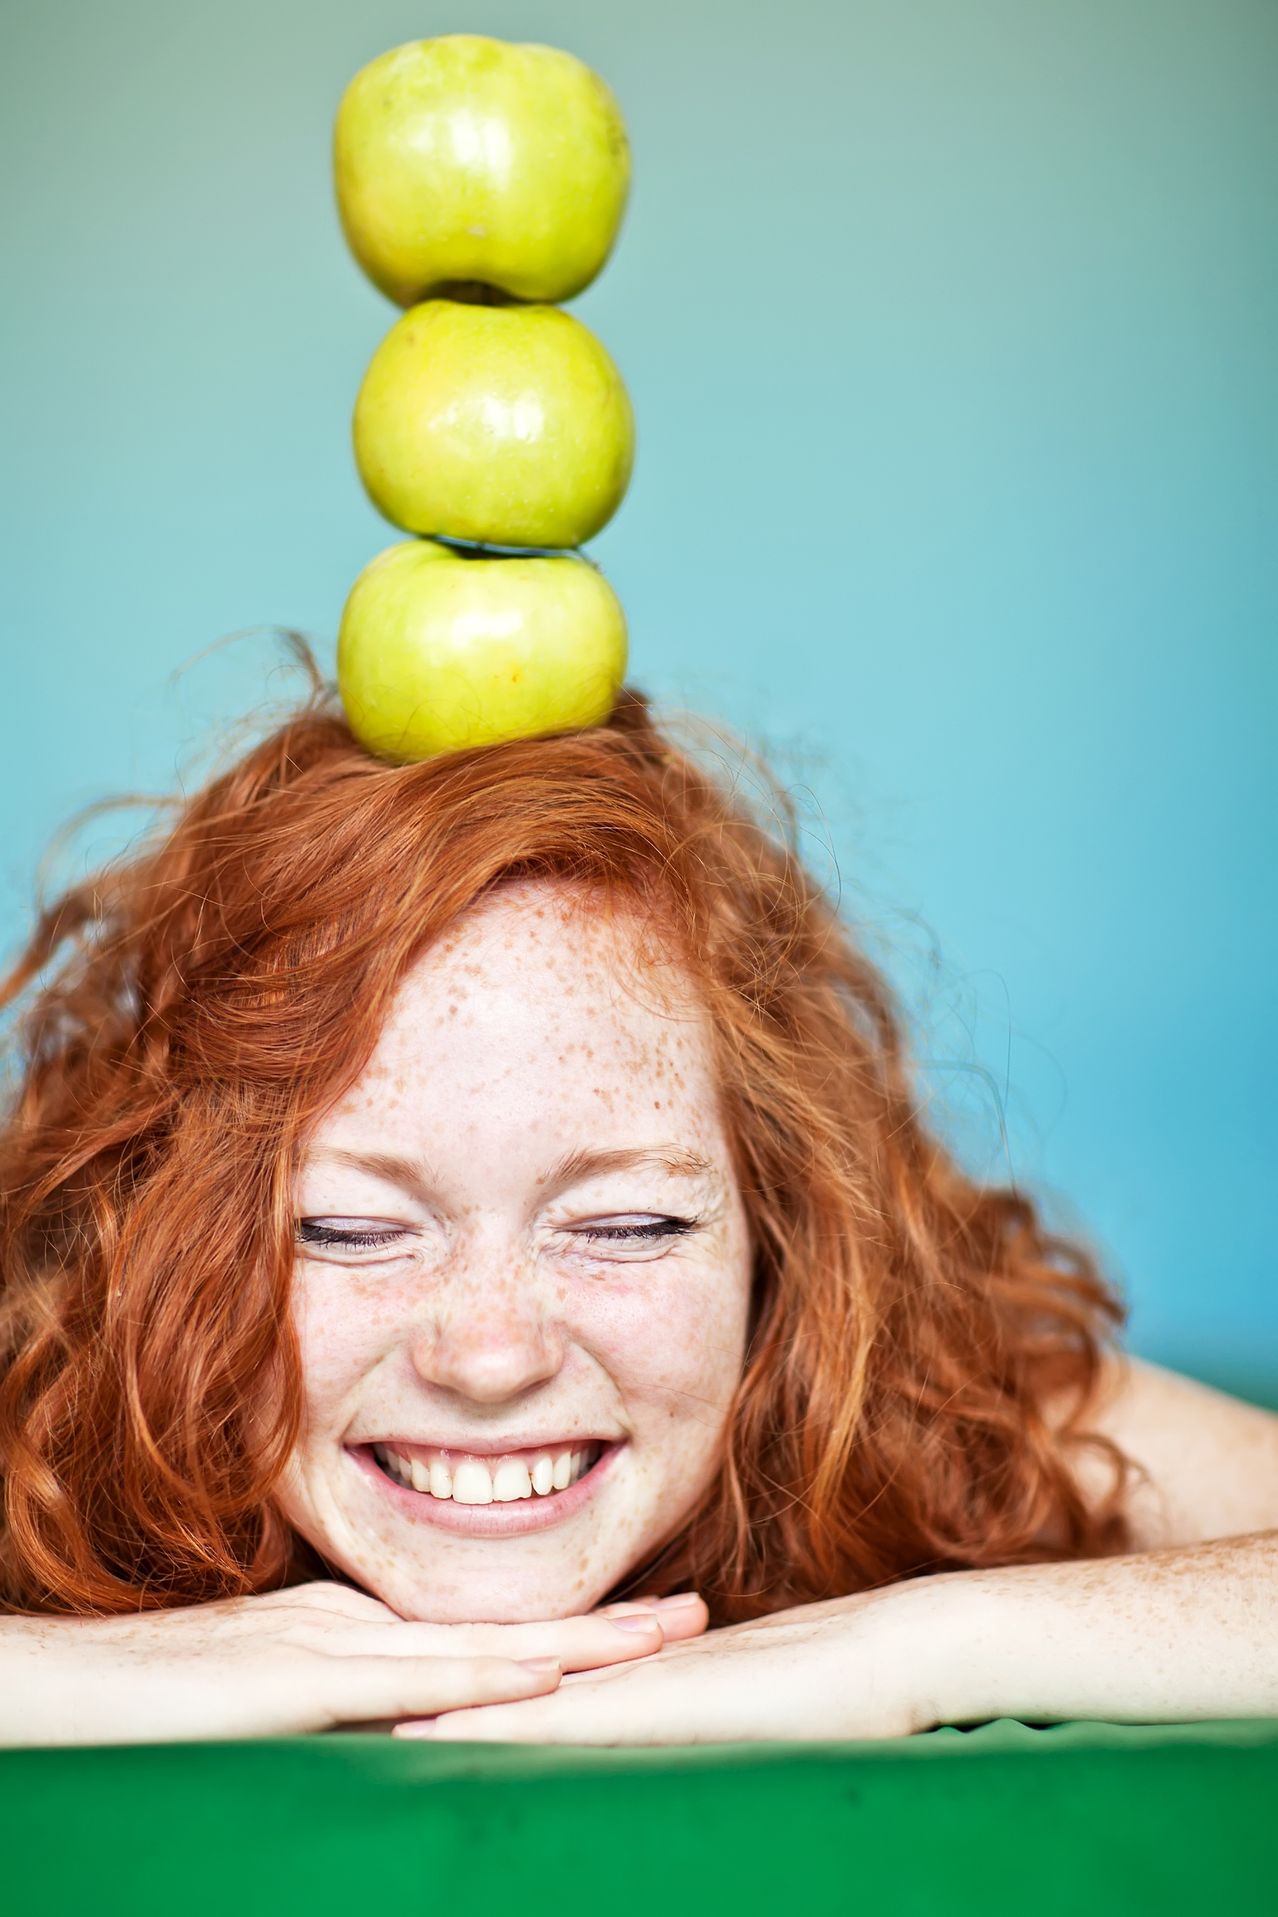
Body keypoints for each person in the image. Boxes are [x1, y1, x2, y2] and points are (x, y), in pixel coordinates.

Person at [2, 652, 1276, 1749]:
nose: (490, 1358)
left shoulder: (909, 1402)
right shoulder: (53, 1387)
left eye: (626, 1226)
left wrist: (927, 1645)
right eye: (349, 1229)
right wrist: (66, 1674)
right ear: (171, 1236)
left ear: (780, 1238)